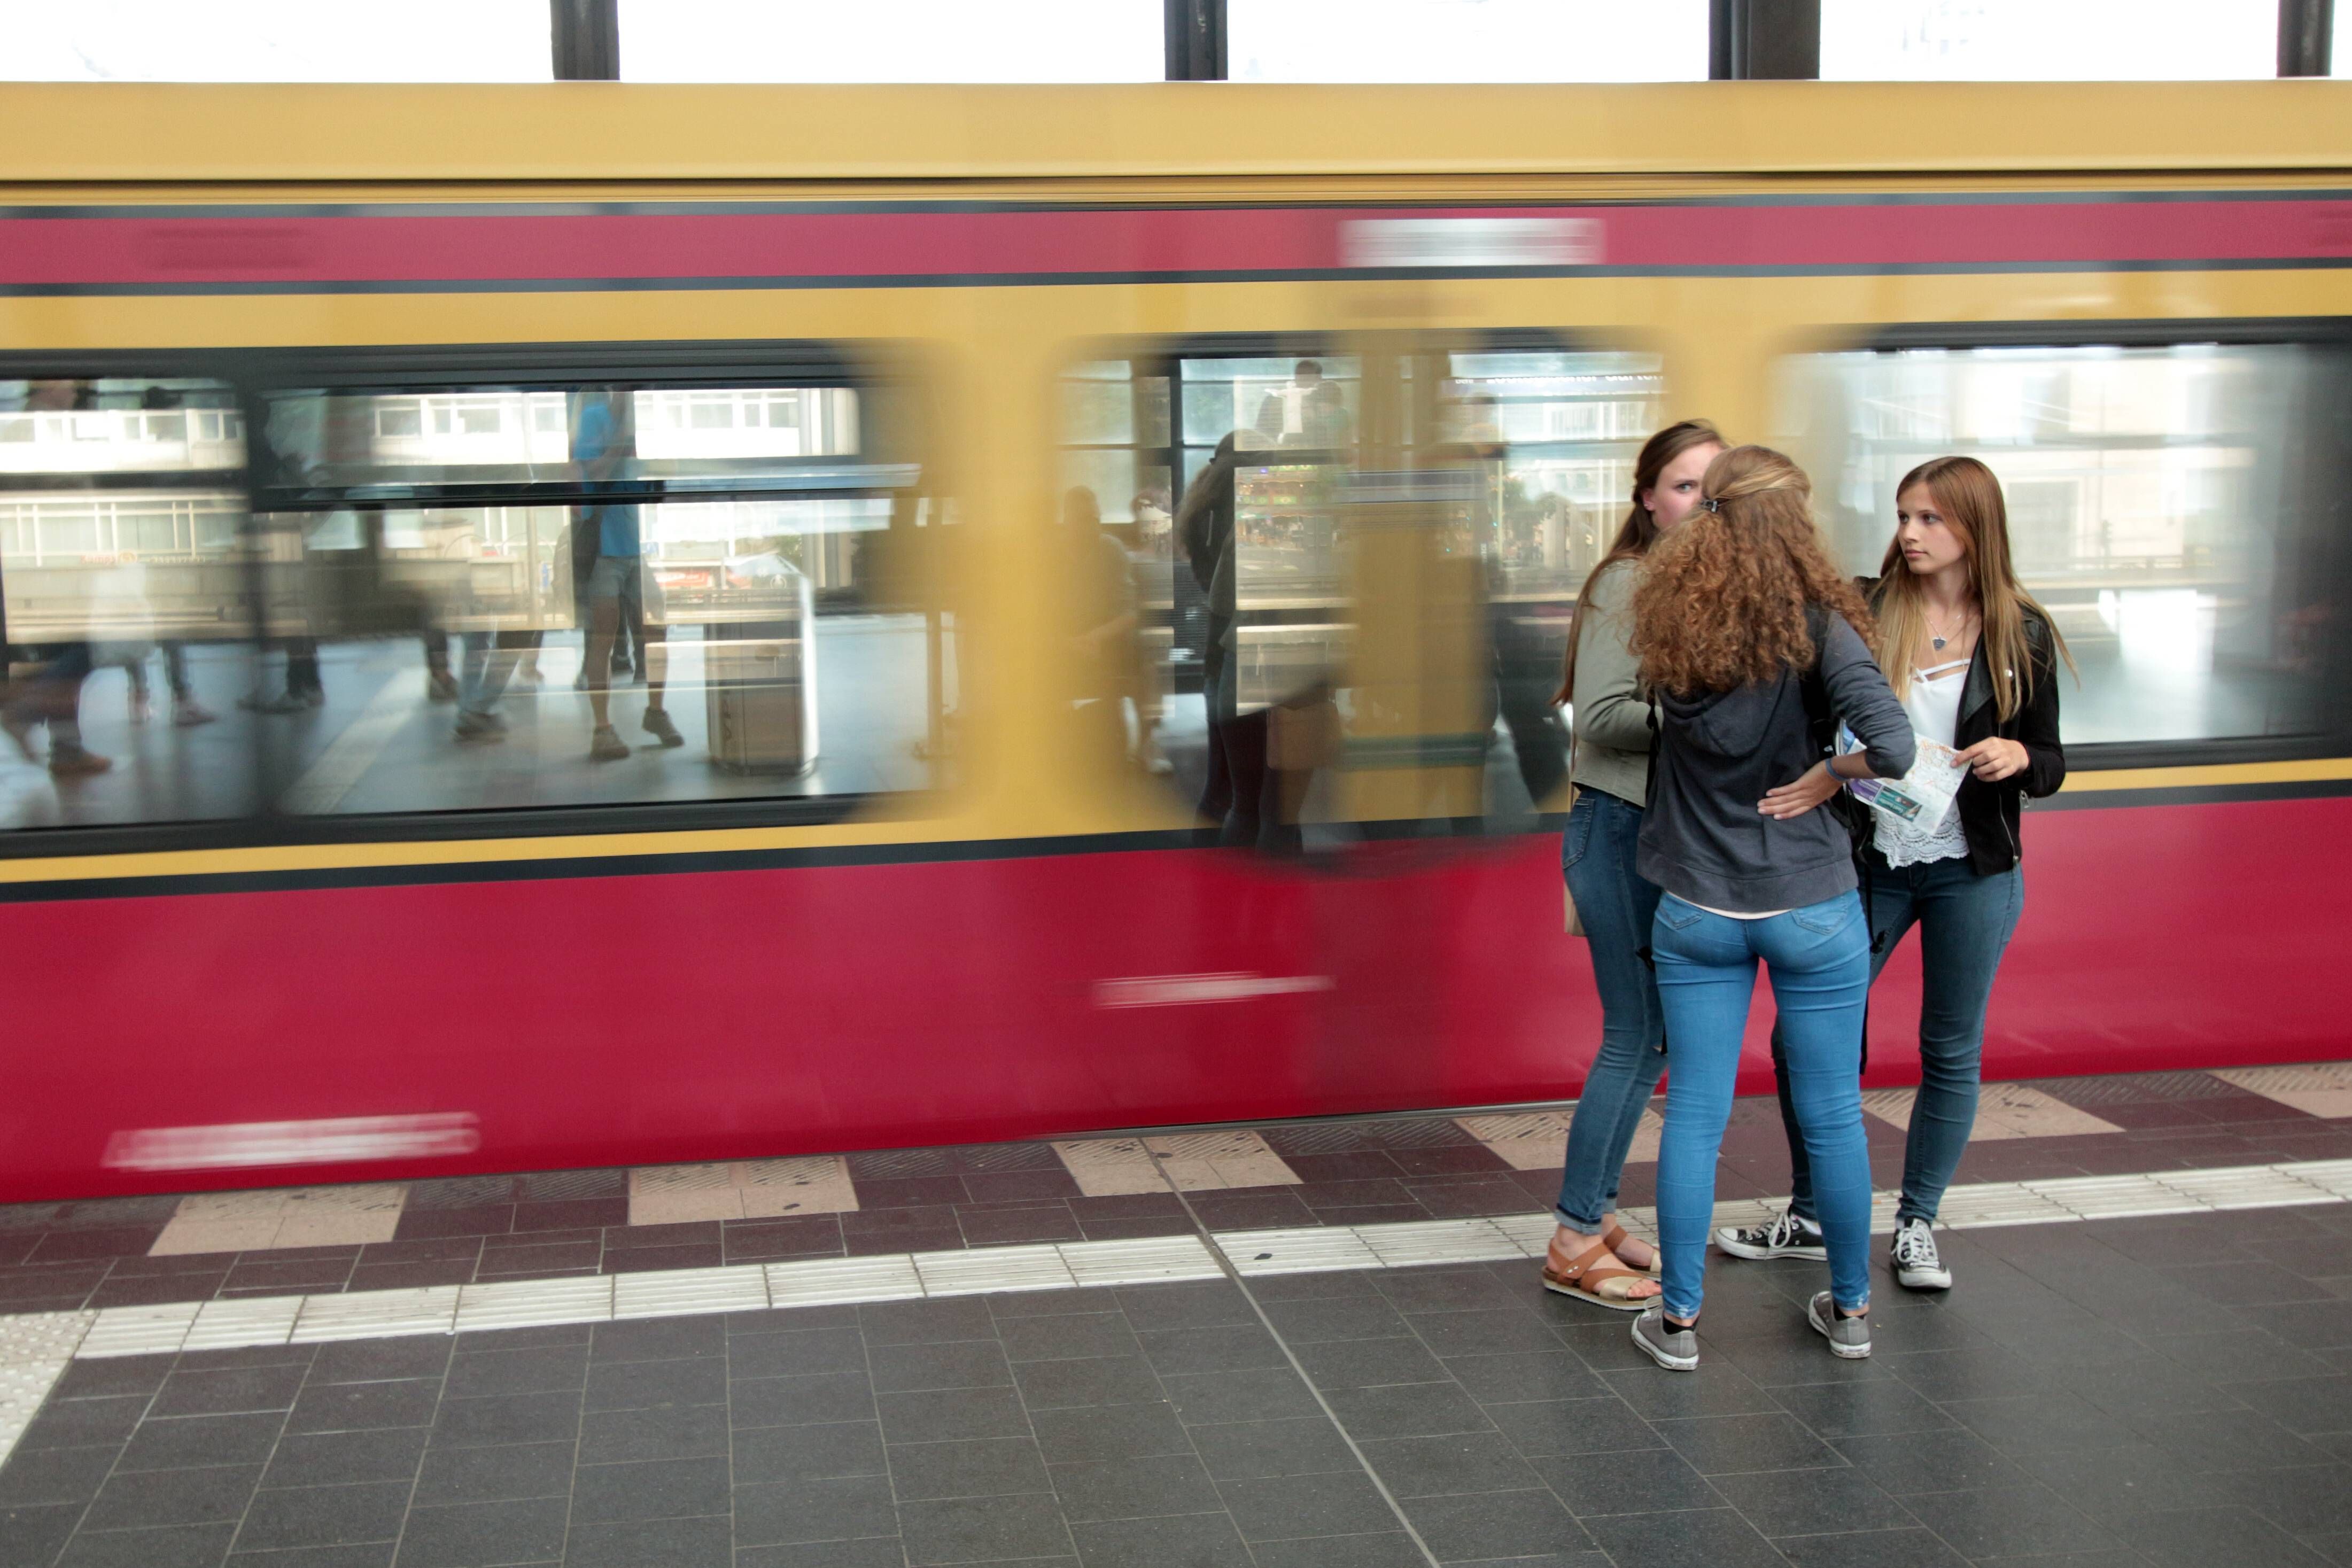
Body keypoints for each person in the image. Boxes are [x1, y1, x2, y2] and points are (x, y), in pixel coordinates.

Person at [1716, 455, 2070, 1293]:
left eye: (1930, 520)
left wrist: (2021, 755)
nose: (1908, 534)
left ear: (1974, 531)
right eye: (1904, 516)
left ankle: (1916, 1221)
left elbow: (2052, 759)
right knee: (1804, 1034)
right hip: (1863, 859)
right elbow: (1807, 716)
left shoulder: (2021, 631)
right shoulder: (1864, 609)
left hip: (1973, 867)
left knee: (1949, 1046)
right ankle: (1810, 1212)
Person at [1625, 445, 1914, 1372]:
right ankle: (1853, 1308)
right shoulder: (1820, 624)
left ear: (1709, 516)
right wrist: (1829, 773)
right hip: (1810, 904)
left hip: (1695, 902)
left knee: (1697, 1111)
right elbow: (1897, 747)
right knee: (1830, 1108)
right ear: (1795, 518)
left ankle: (1677, 1321)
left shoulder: (1671, 621)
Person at [1538, 419, 1725, 1310]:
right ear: (1647, 498)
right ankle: (1574, 1235)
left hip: (1657, 831)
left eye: (1713, 488)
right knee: (1637, 1033)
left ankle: (1599, 1210)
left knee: (1648, 1034)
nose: (1699, 502)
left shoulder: (1703, 589)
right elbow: (1603, 717)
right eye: (1683, 485)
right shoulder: (1627, 581)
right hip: (1620, 826)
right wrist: (1716, 718)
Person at [571, 389, 681, 761]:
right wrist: (620, 440)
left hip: (634, 547)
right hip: (604, 550)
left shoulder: (637, 428)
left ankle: (655, 711)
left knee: (656, 627)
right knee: (603, 637)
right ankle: (602, 729)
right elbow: (595, 472)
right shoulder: (593, 419)